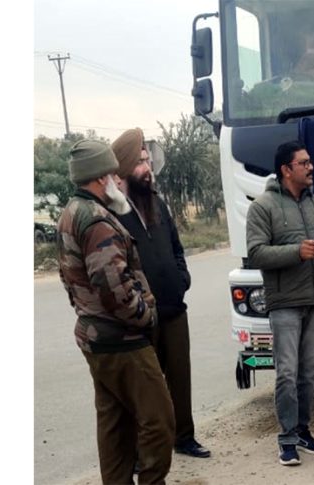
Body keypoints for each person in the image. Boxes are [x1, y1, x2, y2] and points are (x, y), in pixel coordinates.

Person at [56, 139, 175, 484]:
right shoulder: (97, 221)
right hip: (122, 341)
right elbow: (113, 288)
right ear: (100, 177)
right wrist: (146, 316)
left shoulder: (72, 211)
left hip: (97, 337)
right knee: (160, 420)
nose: (118, 179)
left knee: (115, 426)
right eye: (112, 173)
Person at [111, 128, 211, 459]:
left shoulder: (157, 203)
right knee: (145, 389)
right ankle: (142, 452)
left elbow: (177, 248)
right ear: (124, 169)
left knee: (180, 379)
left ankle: (184, 437)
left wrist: (181, 277)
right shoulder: (113, 212)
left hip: (173, 308)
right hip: (141, 315)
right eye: (140, 162)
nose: (147, 167)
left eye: (148, 160)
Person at [246, 140, 314, 466]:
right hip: (285, 302)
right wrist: (296, 251)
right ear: (286, 170)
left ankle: (303, 431)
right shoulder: (263, 207)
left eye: (310, 162)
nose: (311, 167)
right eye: (304, 163)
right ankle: (286, 439)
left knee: (308, 372)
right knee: (286, 373)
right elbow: (256, 253)